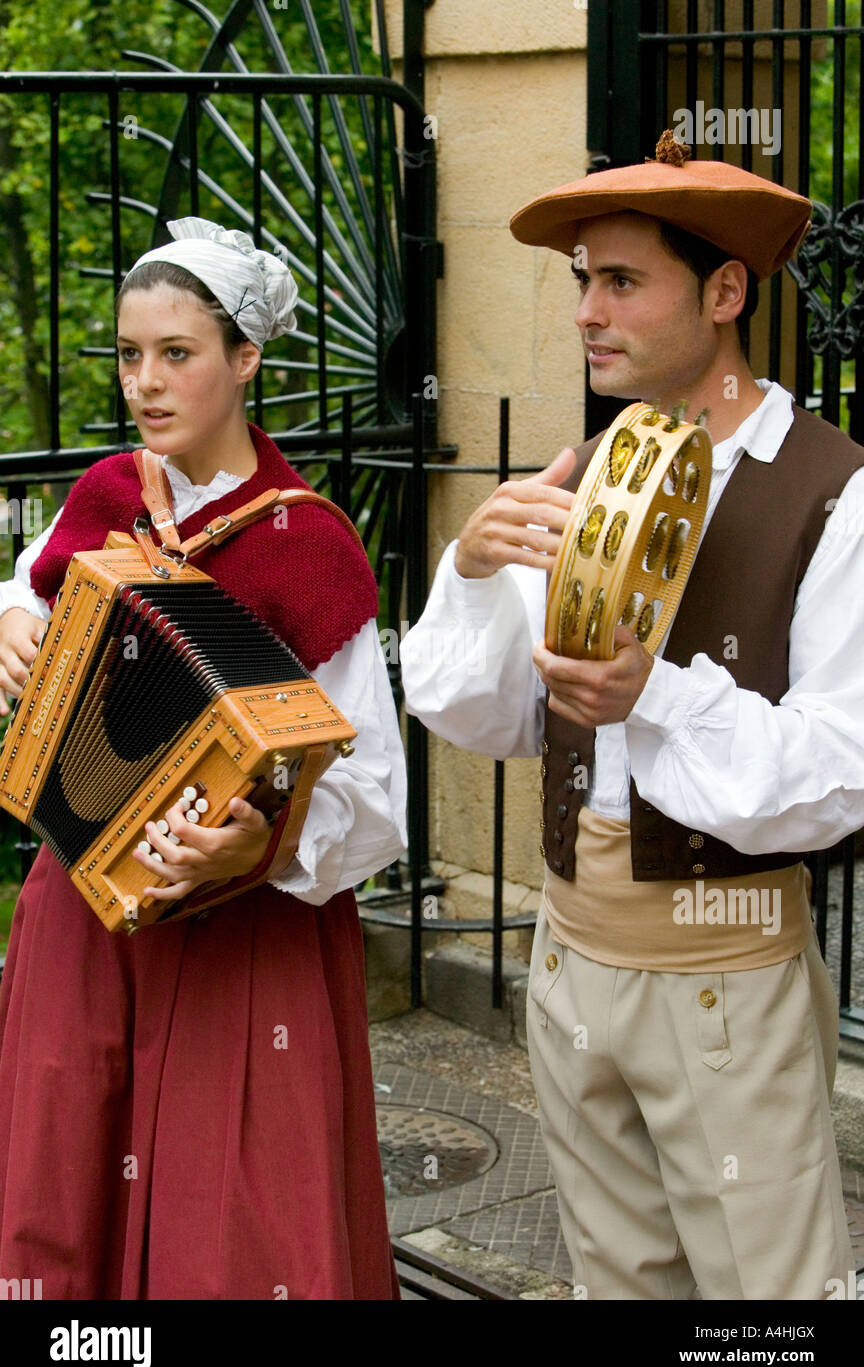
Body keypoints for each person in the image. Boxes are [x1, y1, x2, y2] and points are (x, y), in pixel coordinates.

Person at [401, 134, 863, 1300]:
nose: (586, 313)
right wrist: (467, 570)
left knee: (770, 1303)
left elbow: (840, 773)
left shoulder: (834, 490)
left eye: (620, 281)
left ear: (723, 292)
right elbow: (493, 715)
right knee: (620, 1284)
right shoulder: (595, 468)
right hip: (569, 963)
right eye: (579, 281)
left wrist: (652, 694)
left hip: (728, 976)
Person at [0, 218, 406, 1300]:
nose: (146, 381)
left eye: (177, 353)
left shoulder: (304, 543)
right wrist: (2, 617)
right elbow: (31, 598)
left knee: (225, 1228)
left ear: (246, 361)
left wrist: (255, 842)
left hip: (243, 942)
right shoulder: (104, 500)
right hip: (81, 915)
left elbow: (375, 799)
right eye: (130, 355)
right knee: (59, 1177)